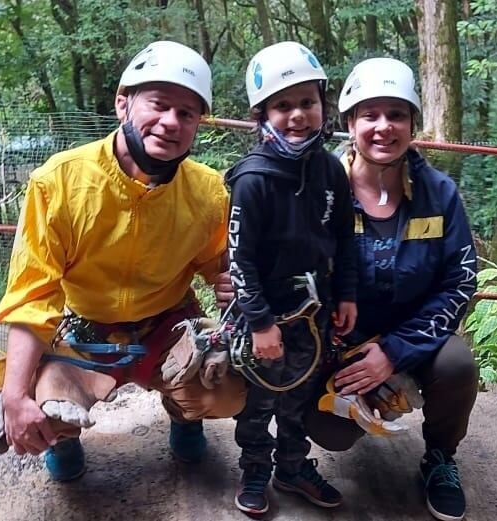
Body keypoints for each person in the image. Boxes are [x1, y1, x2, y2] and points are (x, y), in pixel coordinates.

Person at [0, 40, 245, 483]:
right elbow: (33, 297)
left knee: (223, 388)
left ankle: (186, 417)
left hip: (166, 325)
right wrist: (14, 394)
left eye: (187, 114)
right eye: (160, 105)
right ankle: (62, 438)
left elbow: (213, 262)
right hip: (86, 328)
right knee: (48, 401)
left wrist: (222, 280)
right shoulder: (59, 182)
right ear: (123, 104)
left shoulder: (208, 192)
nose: (171, 122)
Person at [306, 57, 480, 521]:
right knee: (334, 433)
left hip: (412, 338)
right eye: (370, 115)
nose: (384, 127)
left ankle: (440, 458)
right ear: (349, 123)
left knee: (458, 363)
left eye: (397, 114)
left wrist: (396, 351)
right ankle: (284, 455)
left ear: (412, 124)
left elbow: (460, 281)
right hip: (337, 344)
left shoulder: (438, 194)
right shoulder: (320, 191)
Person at [224, 41, 358, 516]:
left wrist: (345, 294)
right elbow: (238, 259)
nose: (297, 115)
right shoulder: (252, 179)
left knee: (301, 392)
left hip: (314, 309)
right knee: (261, 395)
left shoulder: (330, 170)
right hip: (266, 310)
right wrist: (259, 322)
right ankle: (256, 466)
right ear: (262, 114)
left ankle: (294, 466)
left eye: (307, 102)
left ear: (323, 103)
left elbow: (344, 235)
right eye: (283, 106)